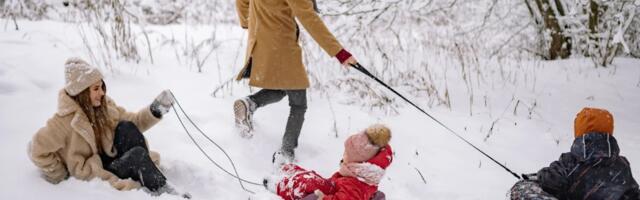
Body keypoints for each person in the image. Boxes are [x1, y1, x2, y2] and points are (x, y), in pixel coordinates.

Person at [28, 58, 187, 197]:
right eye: (96, 89)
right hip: (97, 171)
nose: (102, 93)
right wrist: (60, 174)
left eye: (102, 87)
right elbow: (36, 149)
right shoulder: (64, 122)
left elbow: (135, 122)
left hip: (112, 158)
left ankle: (146, 172)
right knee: (138, 155)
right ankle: (164, 191)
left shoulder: (104, 106)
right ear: (81, 92)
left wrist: (157, 108)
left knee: (126, 127)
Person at [232, 0, 359, 162]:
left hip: (262, 39)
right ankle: (286, 154)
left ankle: (249, 104)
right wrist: (340, 53)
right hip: (282, 44)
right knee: (298, 103)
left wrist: (247, 22)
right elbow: (309, 18)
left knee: (282, 88)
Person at [510, 107, 640, 200]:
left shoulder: (570, 163)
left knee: (522, 188)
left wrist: (537, 177)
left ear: (579, 132)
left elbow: (548, 179)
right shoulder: (622, 166)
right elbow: (632, 193)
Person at [264, 124, 393, 200]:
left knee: (309, 183)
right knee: (310, 176)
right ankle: (285, 168)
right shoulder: (358, 177)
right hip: (331, 188)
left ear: (358, 162)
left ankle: (278, 185)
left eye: (347, 154)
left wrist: (323, 198)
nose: (343, 156)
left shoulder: (355, 186)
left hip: (324, 195)